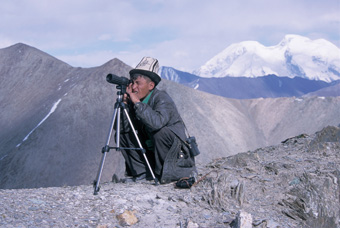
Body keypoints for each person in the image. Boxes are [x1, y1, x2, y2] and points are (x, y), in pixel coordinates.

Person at [117, 56, 196, 184]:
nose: (134, 87)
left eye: (138, 83)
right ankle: (142, 173)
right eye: (133, 83)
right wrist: (125, 105)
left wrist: (137, 103)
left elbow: (156, 123)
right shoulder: (136, 101)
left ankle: (163, 173)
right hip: (152, 149)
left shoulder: (162, 98)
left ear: (151, 85)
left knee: (160, 132)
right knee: (123, 134)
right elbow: (124, 127)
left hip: (175, 153)